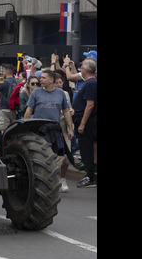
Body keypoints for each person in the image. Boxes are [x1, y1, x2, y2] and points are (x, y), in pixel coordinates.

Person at [23, 71, 74, 177]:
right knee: (39, 156)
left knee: (55, 156)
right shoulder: (36, 92)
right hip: (39, 130)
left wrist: (70, 128)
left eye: (43, 78)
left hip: (54, 129)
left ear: (51, 80)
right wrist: (24, 126)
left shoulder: (60, 93)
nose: (40, 80)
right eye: (40, 78)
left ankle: (55, 179)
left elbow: (66, 111)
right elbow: (29, 110)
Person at [72, 59, 97, 188]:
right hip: (88, 119)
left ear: (86, 70)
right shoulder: (91, 83)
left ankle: (90, 177)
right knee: (89, 148)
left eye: (81, 67)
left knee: (86, 149)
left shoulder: (90, 83)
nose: (80, 69)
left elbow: (90, 105)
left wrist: (82, 124)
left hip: (86, 120)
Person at [0, 63, 20, 132]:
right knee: (13, 130)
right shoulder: (18, 81)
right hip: (14, 109)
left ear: (6, 72)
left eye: (3, 71)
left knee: (4, 130)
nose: (2, 73)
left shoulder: (4, 81)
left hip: (4, 109)